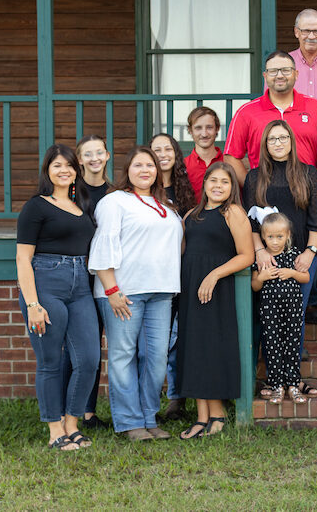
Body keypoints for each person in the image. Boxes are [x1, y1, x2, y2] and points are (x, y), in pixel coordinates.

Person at [89, 146, 183, 442]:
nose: (145, 170)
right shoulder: (114, 202)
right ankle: (130, 422)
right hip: (124, 292)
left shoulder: (164, 205)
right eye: (138, 165)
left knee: (155, 358)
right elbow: (104, 244)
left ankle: (148, 416)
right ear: (127, 170)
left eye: (150, 165)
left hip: (161, 291)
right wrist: (111, 289)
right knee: (123, 355)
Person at [16, 144, 100, 450]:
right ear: (47, 171)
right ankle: (55, 430)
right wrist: (32, 304)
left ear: (76, 171)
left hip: (80, 287)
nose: (64, 170)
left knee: (89, 358)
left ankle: (71, 423)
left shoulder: (83, 205)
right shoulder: (36, 207)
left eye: (69, 165)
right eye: (56, 166)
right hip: (46, 284)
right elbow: (23, 259)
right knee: (50, 361)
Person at [243, 119, 317, 399]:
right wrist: (260, 252)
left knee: (294, 321)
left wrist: (309, 254)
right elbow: (250, 224)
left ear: (292, 141)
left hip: (300, 258)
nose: (278, 143)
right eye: (272, 139)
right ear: (265, 145)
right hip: (266, 258)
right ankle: (274, 379)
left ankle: (293, 379)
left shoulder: (308, 174)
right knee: (268, 321)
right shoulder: (254, 177)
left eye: (283, 138)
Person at [176, 163, 254, 439]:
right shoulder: (190, 216)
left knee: (212, 347)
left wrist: (214, 275)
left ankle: (218, 414)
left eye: (225, 182)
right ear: (205, 183)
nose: (218, 186)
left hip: (217, 287)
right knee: (193, 347)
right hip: (190, 287)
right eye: (213, 180)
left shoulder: (232, 212)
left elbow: (247, 255)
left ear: (232, 188)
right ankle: (201, 416)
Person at [224, 51, 317, 182]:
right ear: (265, 76)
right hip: (263, 197)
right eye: (273, 71)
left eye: (286, 70)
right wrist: (252, 188)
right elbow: (230, 157)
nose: (280, 75)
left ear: (296, 74)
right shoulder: (246, 112)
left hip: (307, 194)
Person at [149, 132, 195, 421]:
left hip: (181, 272)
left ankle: (177, 398)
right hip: (152, 274)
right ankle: (150, 401)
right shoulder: (140, 190)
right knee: (156, 340)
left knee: (178, 338)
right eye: (157, 149)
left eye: (169, 148)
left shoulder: (186, 190)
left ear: (177, 155)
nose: (163, 153)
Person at [251, 212, 311, 404]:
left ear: (287, 236)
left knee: (293, 345)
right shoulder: (261, 260)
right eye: (270, 237)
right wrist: (262, 277)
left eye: (279, 236)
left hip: (292, 310)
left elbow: (306, 277)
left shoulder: (293, 255)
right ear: (263, 237)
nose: (275, 241)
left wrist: (292, 272)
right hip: (270, 311)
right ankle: (277, 385)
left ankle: (293, 385)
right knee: (272, 345)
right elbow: (254, 286)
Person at [72, 135, 110, 429]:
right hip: (77, 275)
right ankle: (75, 409)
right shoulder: (73, 192)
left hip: (108, 275)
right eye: (88, 154)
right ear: (80, 159)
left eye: (99, 152)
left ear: (107, 156)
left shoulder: (115, 193)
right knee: (82, 345)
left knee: (97, 347)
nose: (94, 158)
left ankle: (89, 411)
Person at [150, 133, 197, 218]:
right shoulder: (146, 189)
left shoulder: (184, 188)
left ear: (175, 153)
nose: (163, 155)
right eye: (157, 150)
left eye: (168, 149)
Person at [183, 106, 225, 199]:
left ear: (217, 129)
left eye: (209, 127)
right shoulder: (183, 165)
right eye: (198, 128)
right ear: (190, 130)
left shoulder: (228, 162)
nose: (204, 134)